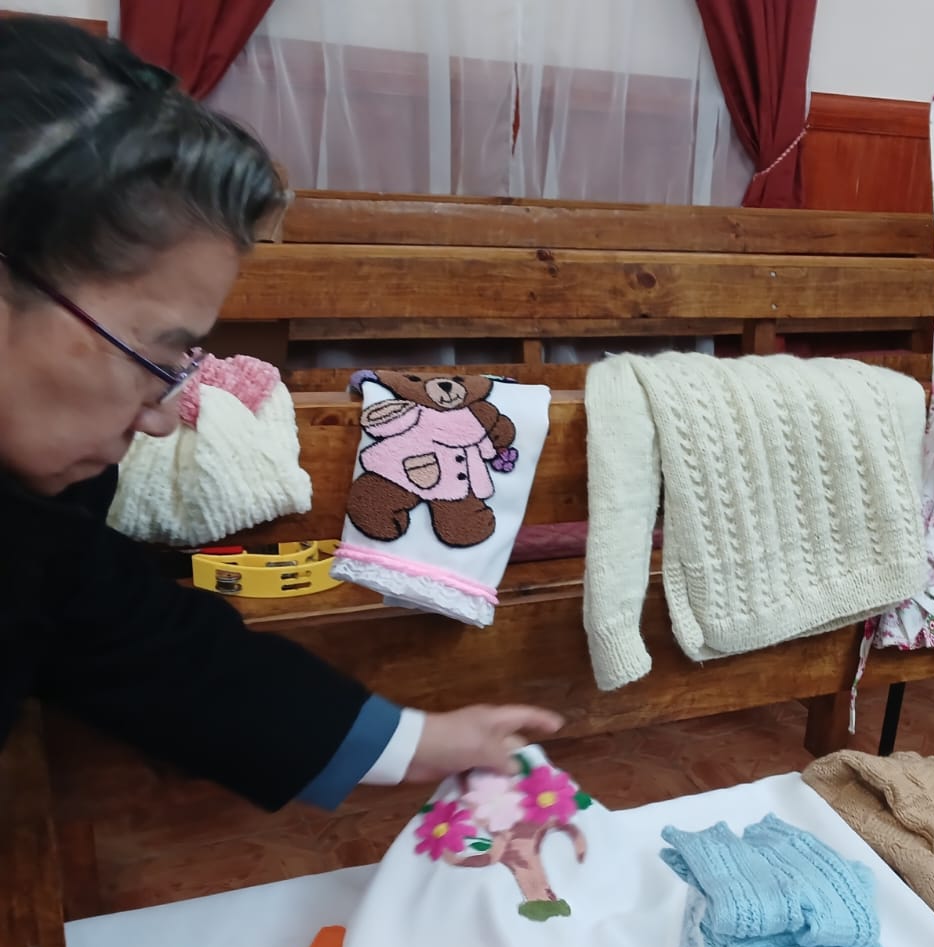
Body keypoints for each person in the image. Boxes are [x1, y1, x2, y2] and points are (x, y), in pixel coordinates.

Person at [0, 16, 562, 811]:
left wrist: (417, 742)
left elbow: (129, 633)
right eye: (155, 355)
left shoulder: (45, 505)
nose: (163, 417)